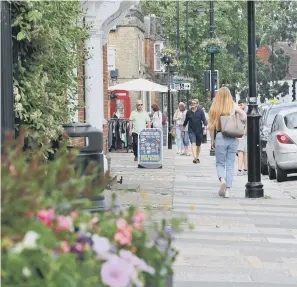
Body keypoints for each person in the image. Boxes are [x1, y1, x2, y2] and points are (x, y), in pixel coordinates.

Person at [208, 87, 247, 198]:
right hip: (233, 137)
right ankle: (228, 190)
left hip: (220, 136)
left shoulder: (214, 107)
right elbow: (245, 116)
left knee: (220, 163)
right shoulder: (233, 106)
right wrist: (240, 125)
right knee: (230, 164)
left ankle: (222, 180)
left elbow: (211, 127)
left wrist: (212, 141)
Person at [183, 99, 207, 163]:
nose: (193, 104)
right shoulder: (189, 112)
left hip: (199, 130)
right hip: (191, 130)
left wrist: (205, 129)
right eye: (192, 103)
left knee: (198, 145)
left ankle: (197, 157)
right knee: (193, 143)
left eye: (194, 103)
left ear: (197, 104)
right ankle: (195, 158)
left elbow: (204, 120)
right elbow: (185, 121)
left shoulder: (200, 111)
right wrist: (183, 129)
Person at [237, 99, 248, 175]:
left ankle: (240, 169)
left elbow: (246, 126)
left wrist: (243, 135)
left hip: (243, 134)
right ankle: (244, 169)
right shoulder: (238, 113)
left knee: (242, 152)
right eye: (239, 105)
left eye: (241, 104)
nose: (239, 106)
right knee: (243, 152)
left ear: (244, 104)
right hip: (240, 134)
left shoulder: (245, 113)